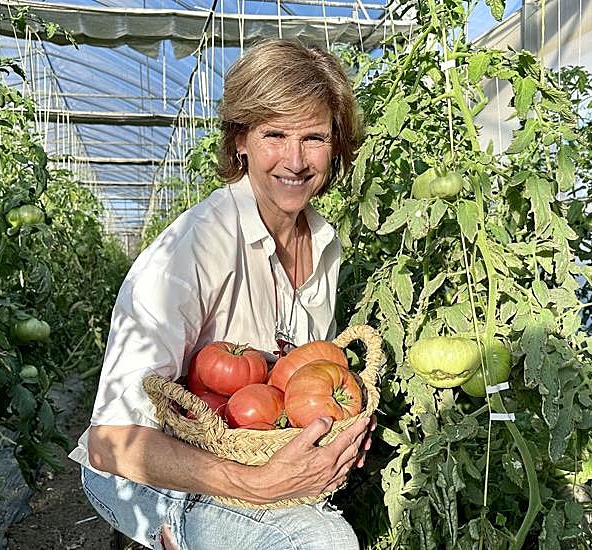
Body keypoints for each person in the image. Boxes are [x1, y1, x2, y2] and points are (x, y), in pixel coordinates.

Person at [68, 39, 373, 550]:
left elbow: (296, 382)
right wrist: (257, 484)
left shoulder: (325, 243)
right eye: (274, 134)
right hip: (143, 468)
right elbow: (110, 442)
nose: (296, 160)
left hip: (246, 449)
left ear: (336, 145)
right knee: (320, 542)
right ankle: (178, 530)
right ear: (240, 141)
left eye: (314, 137)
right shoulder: (193, 247)